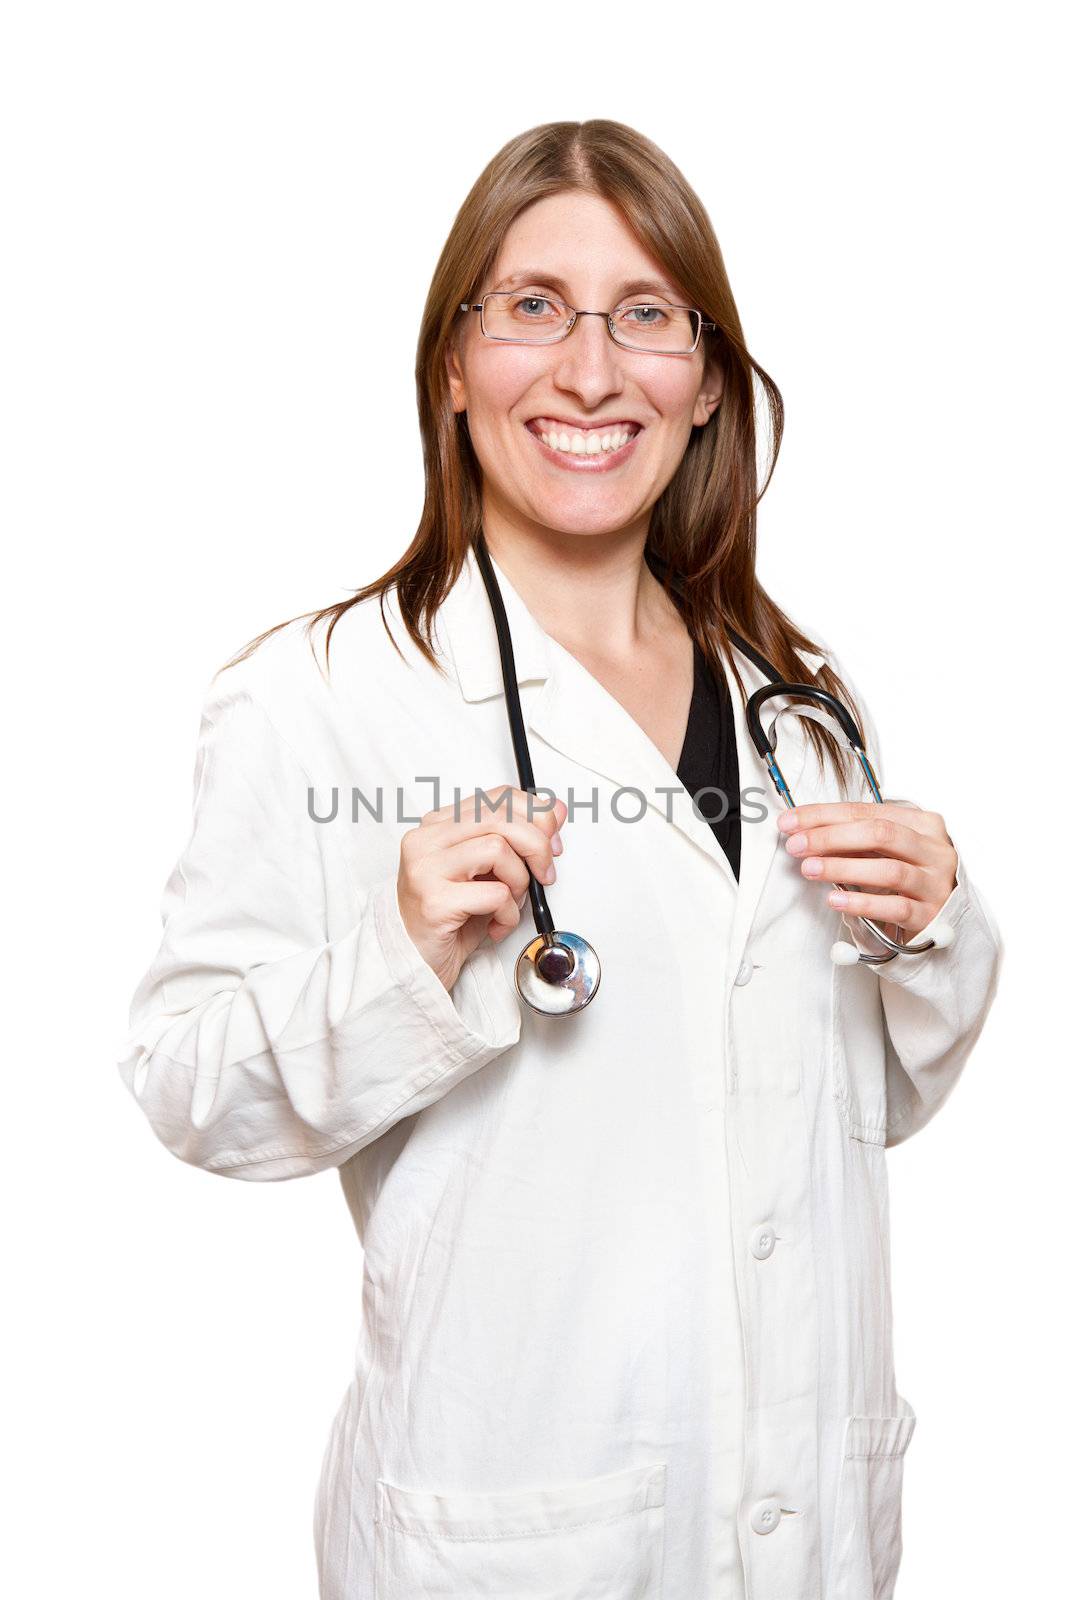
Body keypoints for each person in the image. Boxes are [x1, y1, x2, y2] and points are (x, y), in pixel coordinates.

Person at [117, 119, 1003, 1600]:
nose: (592, 371)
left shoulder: (801, 701)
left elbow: (861, 1102)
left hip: (807, 1518)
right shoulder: (324, 693)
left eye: (647, 315)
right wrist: (398, 958)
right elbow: (189, 1087)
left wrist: (935, 935)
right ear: (452, 363)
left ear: (706, 379)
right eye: (533, 307)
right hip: (512, 1528)